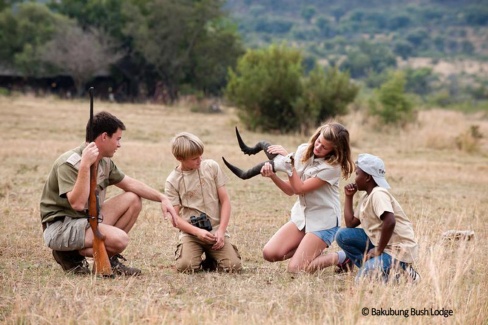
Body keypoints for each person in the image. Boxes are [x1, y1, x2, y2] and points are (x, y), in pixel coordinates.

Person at [40, 111, 178, 276]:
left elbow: (130, 183)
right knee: (120, 240)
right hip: (61, 227)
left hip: (87, 221)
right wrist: (85, 166)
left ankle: (107, 260)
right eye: (117, 139)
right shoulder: (69, 163)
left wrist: (162, 198)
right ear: (104, 137)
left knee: (133, 199)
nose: (119, 145)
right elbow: (77, 203)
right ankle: (69, 254)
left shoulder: (105, 162)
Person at [259, 122, 354, 273]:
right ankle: (310, 251)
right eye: (318, 141)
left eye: (324, 147)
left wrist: (288, 161)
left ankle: (345, 257)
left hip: (323, 222)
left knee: (296, 269)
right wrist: (272, 176)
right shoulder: (303, 149)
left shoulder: (332, 167)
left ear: (334, 150)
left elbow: (299, 188)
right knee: (270, 253)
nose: (318, 147)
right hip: (302, 217)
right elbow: (291, 190)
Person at [336, 153, 420, 283]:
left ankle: (402, 270)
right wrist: (349, 197)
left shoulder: (378, 194)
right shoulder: (367, 197)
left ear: (368, 177)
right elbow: (351, 223)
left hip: (397, 250)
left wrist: (378, 250)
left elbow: (390, 221)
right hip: (382, 245)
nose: (355, 178)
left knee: (362, 280)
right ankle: (379, 272)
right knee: (343, 235)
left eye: (357, 174)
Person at [165, 132, 242, 273]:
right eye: (194, 158)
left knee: (233, 267)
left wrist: (221, 231)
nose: (200, 160)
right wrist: (197, 232)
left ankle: (213, 258)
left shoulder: (212, 167)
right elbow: (174, 219)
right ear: (180, 158)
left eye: (201, 155)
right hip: (191, 234)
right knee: (186, 267)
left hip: (216, 231)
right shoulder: (172, 181)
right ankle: (194, 254)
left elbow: (225, 201)